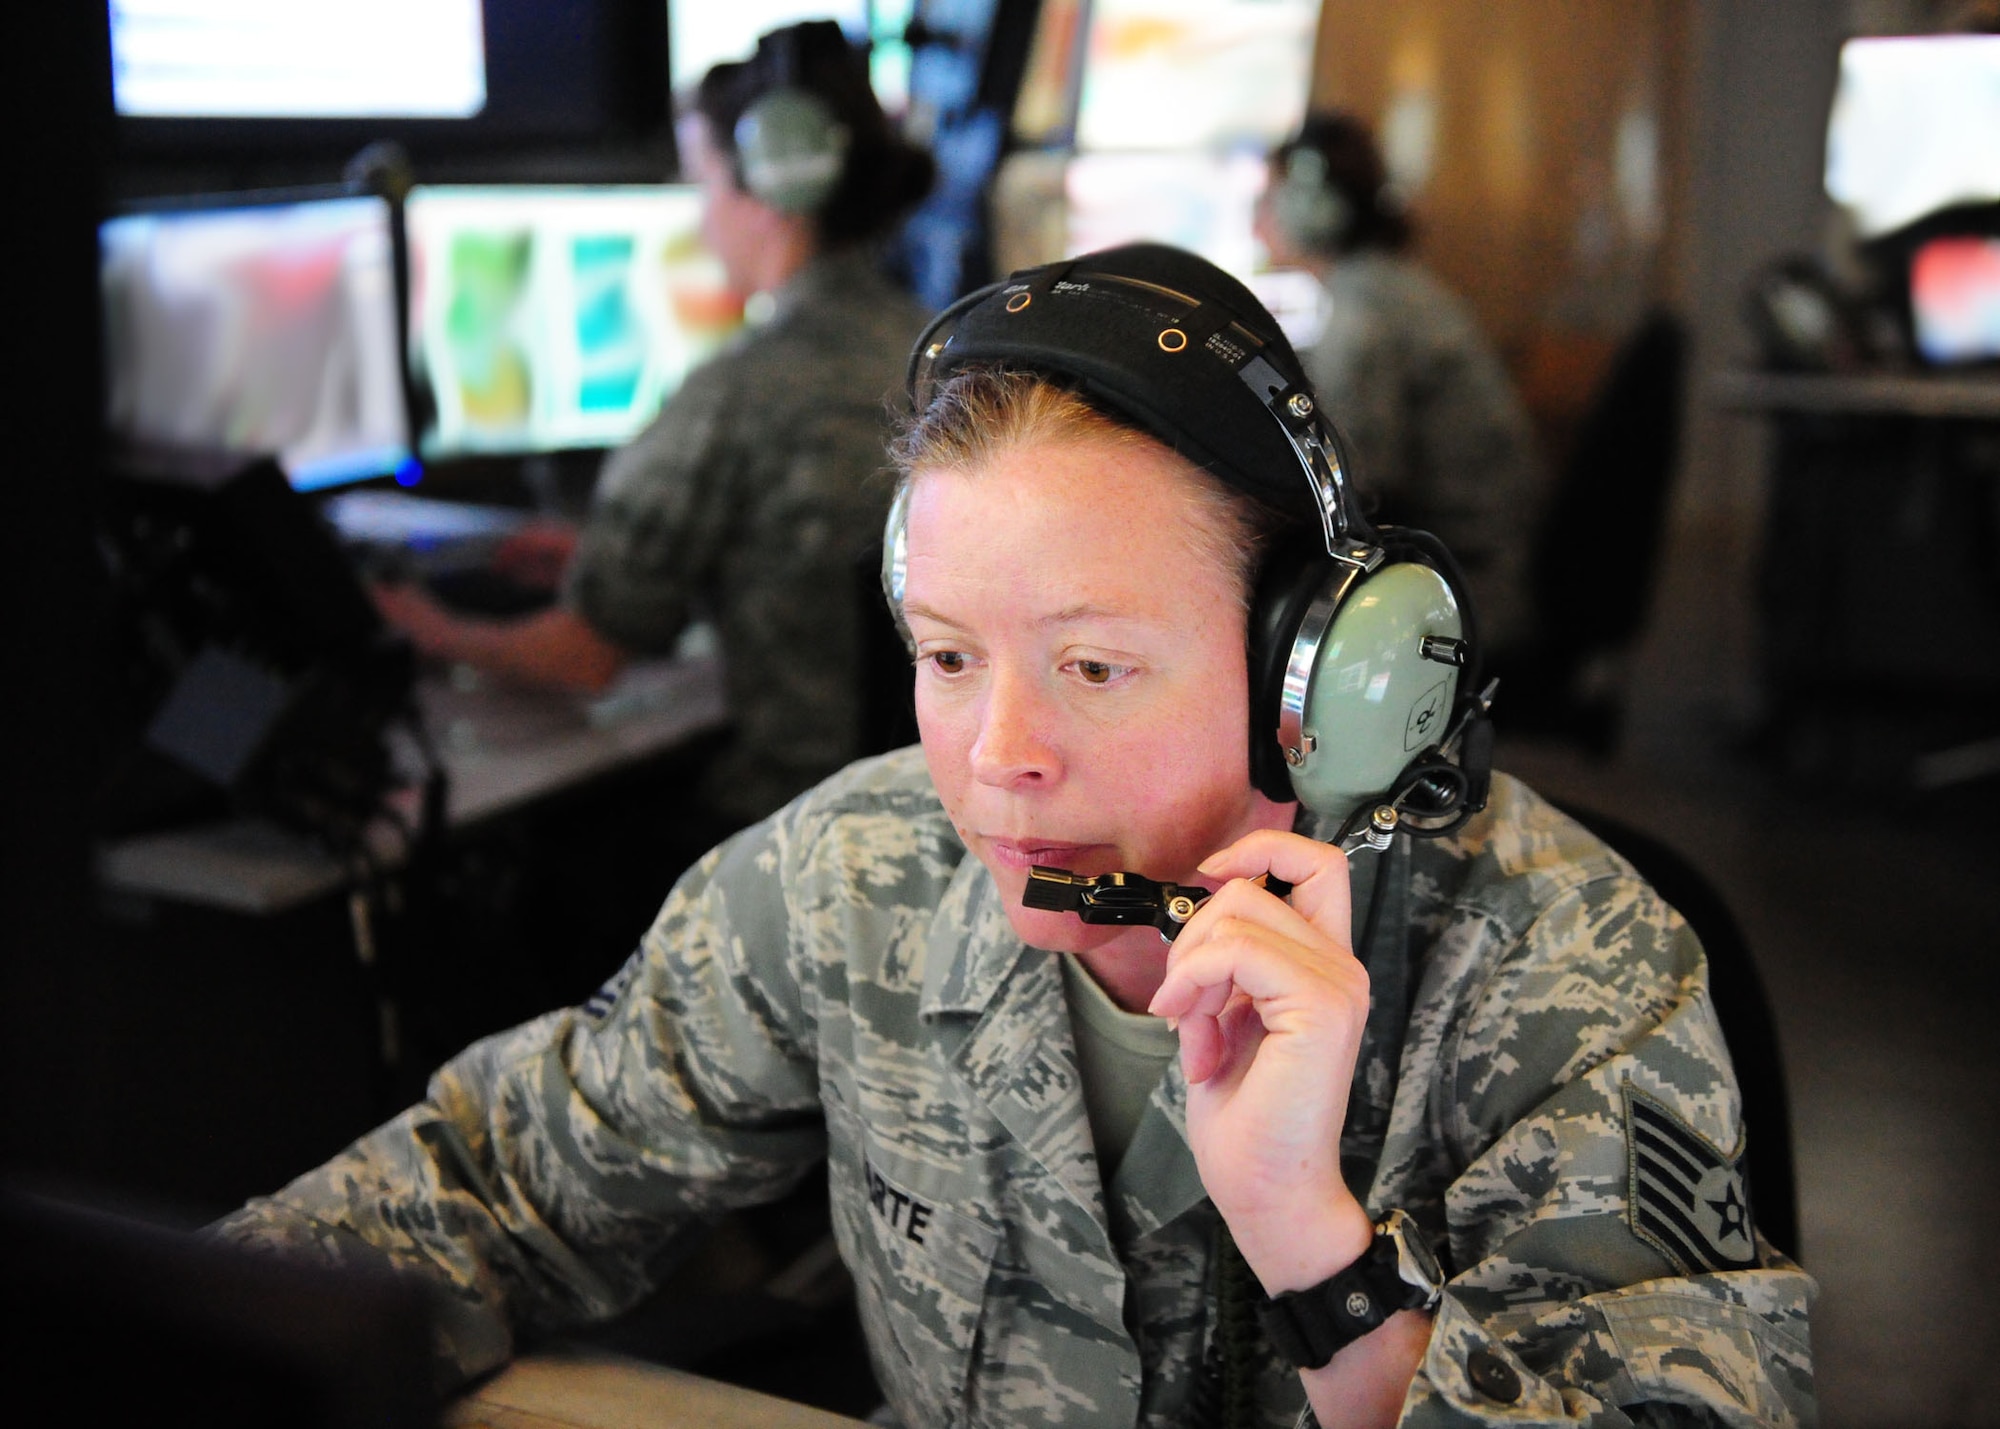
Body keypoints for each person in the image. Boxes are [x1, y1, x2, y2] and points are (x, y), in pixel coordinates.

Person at [216, 244, 1814, 1428]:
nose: (997, 762)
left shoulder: (1568, 973)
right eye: (948, 654)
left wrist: (1321, 1251)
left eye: (1095, 667)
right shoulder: (850, 882)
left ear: (1316, 677)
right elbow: (493, 1186)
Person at [376, 20, 935, 833]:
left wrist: (425, 625)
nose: (701, 218)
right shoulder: (941, 355)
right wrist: (658, 566)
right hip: (940, 830)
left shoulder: (737, 393)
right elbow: (826, 581)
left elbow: (584, 654)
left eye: (703, 182)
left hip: (790, 844)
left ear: (773, 189)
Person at [1255, 111, 1546, 654]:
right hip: (1480, 564)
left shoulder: (1369, 311)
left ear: (1314, 210)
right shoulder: (1389, 288)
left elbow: (1357, 483)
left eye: (1267, 199)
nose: (1257, 221)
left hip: (1464, 588)